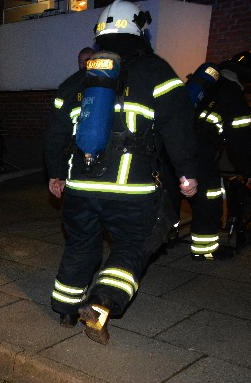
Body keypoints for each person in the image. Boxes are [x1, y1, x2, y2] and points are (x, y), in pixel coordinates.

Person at [44, 0, 199, 345]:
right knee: (133, 244)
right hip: (131, 188)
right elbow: (179, 127)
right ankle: (102, 302)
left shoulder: (74, 81)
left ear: (100, 34)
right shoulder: (157, 72)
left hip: (79, 185)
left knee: (81, 243)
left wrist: (55, 173)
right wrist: (187, 172)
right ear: (139, 31)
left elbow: (55, 133)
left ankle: (66, 309)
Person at [183, 51, 251, 259]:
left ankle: (161, 237)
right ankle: (204, 249)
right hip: (200, 150)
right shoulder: (233, 93)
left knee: (171, 191)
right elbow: (240, 139)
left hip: (173, 145)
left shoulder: (204, 84)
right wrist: (248, 169)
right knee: (208, 196)